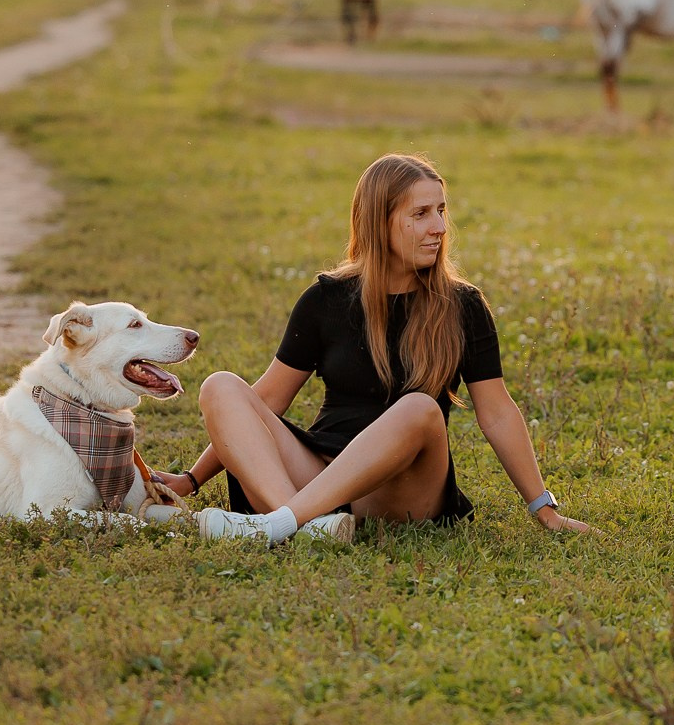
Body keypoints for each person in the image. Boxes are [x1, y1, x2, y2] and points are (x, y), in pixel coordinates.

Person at [154, 153, 594, 544]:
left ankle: (279, 523)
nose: (439, 227)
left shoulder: (462, 305)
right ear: (379, 222)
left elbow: (496, 412)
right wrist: (191, 480)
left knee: (419, 408)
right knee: (221, 387)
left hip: (405, 489)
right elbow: (266, 400)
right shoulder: (325, 300)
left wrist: (544, 509)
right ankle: (302, 526)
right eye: (421, 214)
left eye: (441, 211)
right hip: (322, 473)